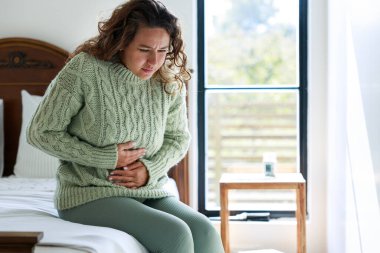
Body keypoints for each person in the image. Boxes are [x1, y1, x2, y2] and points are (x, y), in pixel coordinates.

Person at [27, 0, 225, 252]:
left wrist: (149, 170)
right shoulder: (86, 70)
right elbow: (41, 133)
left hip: (149, 189)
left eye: (163, 50)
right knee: (175, 234)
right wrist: (104, 157)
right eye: (144, 49)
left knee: (204, 230)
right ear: (121, 43)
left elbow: (177, 139)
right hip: (90, 194)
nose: (154, 61)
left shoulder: (168, 82)